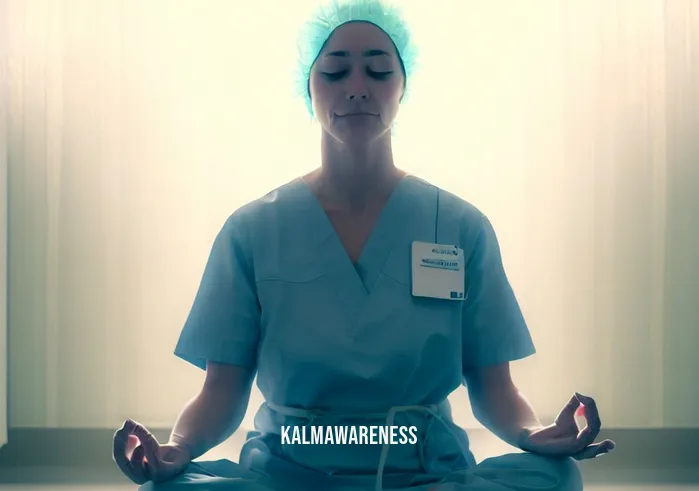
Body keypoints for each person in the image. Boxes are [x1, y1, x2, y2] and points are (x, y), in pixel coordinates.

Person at [112, 1, 616, 489]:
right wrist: (177, 449)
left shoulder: (461, 228)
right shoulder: (250, 232)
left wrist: (534, 434)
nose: (357, 88)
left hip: (426, 472)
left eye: (378, 72)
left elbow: (495, 390)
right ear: (307, 87)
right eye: (335, 72)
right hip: (288, 474)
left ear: (403, 87)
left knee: (555, 476)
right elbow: (221, 392)